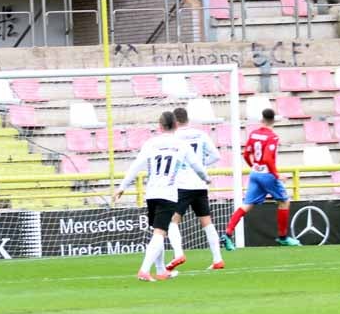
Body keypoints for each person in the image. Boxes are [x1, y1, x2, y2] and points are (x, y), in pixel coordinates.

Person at [113, 111, 211, 282]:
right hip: (168, 193)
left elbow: (136, 166)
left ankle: (161, 270)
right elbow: (197, 165)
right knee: (160, 232)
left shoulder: (151, 143)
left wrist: (122, 187)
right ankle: (144, 270)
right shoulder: (181, 145)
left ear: (159, 126)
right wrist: (206, 178)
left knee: (159, 232)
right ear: (175, 125)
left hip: (151, 193)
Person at [221, 108, 301, 250]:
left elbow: (246, 154)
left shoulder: (253, 134)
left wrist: (254, 167)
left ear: (262, 119)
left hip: (255, 174)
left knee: (246, 205)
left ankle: (227, 233)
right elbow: (267, 159)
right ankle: (283, 237)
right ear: (273, 120)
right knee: (284, 202)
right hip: (267, 175)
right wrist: (277, 175)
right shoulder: (273, 137)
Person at [165, 107, 226, 271]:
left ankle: (178, 253)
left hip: (182, 184)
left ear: (175, 121)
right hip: (200, 183)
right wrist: (199, 164)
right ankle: (217, 259)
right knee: (206, 221)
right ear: (187, 119)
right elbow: (216, 156)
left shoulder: (174, 137)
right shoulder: (201, 134)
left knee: (172, 221)